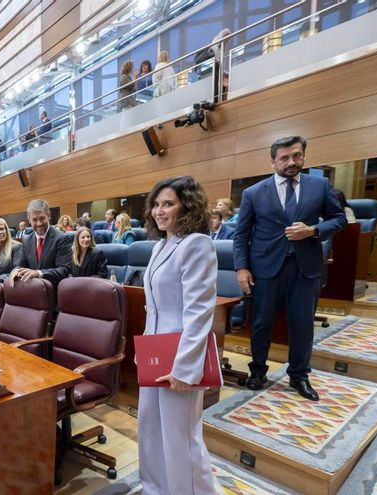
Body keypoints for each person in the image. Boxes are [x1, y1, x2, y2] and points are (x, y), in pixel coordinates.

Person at [234, 136, 346, 401]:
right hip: (265, 267)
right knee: (261, 323)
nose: (291, 162)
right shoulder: (253, 193)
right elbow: (241, 235)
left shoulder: (319, 186)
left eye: (296, 156)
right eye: (284, 158)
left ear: (304, 156)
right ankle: (258, 371)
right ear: (273, 161)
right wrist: (241, 268)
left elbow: (339, 219)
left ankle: (299, 376)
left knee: (303, 324)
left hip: (305, 267)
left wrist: (314, 230)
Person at [139, 175, 217, 495]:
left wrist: (186, 368)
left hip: (180, 355)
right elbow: (153, 308)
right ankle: (155, 489)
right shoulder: (161, 245)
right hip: (156, 353)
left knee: (180, 438)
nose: (159, 211)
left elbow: (199, 313)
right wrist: (143, 352)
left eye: (168, 204)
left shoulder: (197, 244)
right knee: (151, 430)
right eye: (156, 205)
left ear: (187, 207)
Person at [11, 199, 72, 291]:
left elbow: (64, 269)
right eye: (34, 220)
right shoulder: (26, 240)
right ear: (29, 220)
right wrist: (16, 271)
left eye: (42, 218)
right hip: (32, 291)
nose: (39, 223)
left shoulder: (62, 238)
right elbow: (21, 264)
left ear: (48, 216)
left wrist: (38, 273)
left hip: (54, 294)